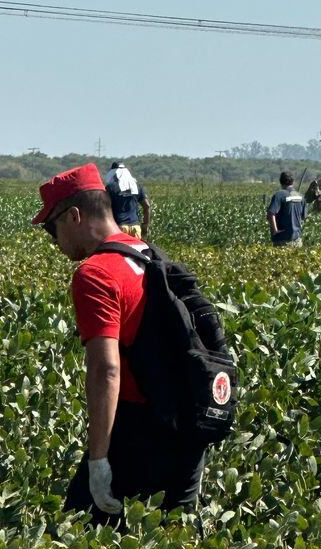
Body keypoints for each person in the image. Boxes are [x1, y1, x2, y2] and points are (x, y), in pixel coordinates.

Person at [33, 163, 207, 522]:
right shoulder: (148, 254)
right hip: (186, 427)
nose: (54, 241)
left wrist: (99, 461)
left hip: (136, 432)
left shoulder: (94, 273)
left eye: (52, 229)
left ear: (74, 216)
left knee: (75, 545)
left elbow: (106, 369)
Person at [104, 161, 150, 239]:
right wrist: (145, 224)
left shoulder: (110, 188)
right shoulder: (137, 187)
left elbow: (104, 208)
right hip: (135, 228)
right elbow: (147, 206)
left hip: (118, 228)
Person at [267, 171, 307, 245]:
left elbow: (271, 213)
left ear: (281, 182)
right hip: (297, 240)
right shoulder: (301, 196)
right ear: (293, 182)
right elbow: (303, 217)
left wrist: (275, 230)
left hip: (282, 239)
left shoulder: (279, 195)